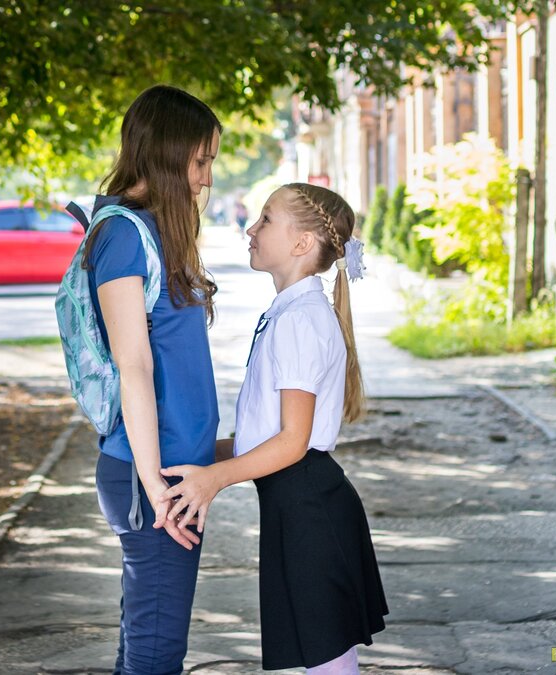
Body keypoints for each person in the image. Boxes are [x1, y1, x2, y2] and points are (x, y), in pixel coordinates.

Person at [160, 183, 388, 673]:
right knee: (325, 658)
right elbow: (261, 437)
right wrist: (196, 457)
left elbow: (291, 441)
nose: (251, 228)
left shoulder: (301, 320)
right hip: (299, 504)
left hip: (310, 510)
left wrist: (214, 479)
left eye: (265, 219)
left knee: (328, 662)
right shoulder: (291, 313)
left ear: (302, 244)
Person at [84, 84, 222, 674]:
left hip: (171, 476)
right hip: (154, 481)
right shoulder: (121, 236)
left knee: (146, 648)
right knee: (155, 655)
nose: (205, 176)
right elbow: (133, 365)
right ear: (167, 153)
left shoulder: (154, 230)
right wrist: (156, 488)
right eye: (200, 159)